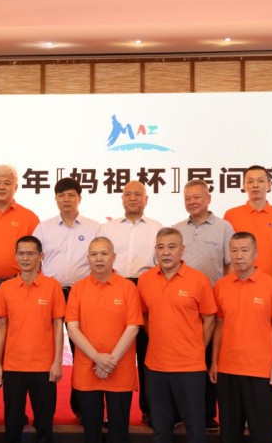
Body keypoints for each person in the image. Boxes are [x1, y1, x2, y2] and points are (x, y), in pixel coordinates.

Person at [138, 227, 216, 443]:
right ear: (155, 250)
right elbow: (143, 315)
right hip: (155, 367)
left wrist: (197, 348)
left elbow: (210, 319)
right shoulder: (145, 280)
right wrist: (157, 337)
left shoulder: (199, 280)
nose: (166, 253)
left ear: (182, 250)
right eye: (160, 247)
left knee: (195, 430)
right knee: (160, 430)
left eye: (171, 247)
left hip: (189, 368)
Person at [209, 232, 272, 443]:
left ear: (256, 253)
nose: (239, 256)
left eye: (244, 250)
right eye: (234, 251)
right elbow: (219, 325)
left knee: (264, 434)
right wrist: (215, 361)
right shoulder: (221, 286)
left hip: (261, 370)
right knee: (229, 433)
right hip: (228, 369)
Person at [33, 177, 99, 420]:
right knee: (45, 347)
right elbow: (34, 260)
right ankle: (43, 409)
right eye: (61, 195)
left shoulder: (94, 228)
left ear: (79, 198)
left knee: (82, 350)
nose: (66, 200)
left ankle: (81, 407)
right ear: (56, 199)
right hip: (50, 292)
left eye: (71, 195)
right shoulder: (44, 228)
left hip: (82, 293)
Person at [65, 237, 142, 443]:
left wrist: (110, 361)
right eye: (94, 254)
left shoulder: (128, 287)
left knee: (119, 432)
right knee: (91, 431)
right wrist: (97, 358)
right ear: (88, 258)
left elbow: (133, 327)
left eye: (104, 254)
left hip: (120, 369)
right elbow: (72, 328)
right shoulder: (78, 288)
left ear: (114, 257)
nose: (99, 259)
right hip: (87, 369)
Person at [99, 180, 162, 426]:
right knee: (113, 349)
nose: (133, 198)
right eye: (128, 194)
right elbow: (99, 260)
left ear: (146, 200)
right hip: (113, 287)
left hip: (145, 287)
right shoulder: (107, 228)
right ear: (122, 199)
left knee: (147, 351)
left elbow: (161, 263)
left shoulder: (157, 228)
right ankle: (109, 411)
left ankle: (150, 409)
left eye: (138, 194)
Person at [174, 179, 234, 431]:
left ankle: (207, 413)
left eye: (197, 197)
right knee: (181, 358)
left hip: (212, 304)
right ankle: (179, 412)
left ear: (208, 199)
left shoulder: (224, 227)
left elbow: (230, 264)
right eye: (187, 198)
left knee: (208, 358)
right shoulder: (177, 229)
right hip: (182, 305)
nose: (192, 202)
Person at [0, 236, 66, 443]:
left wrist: (57, 362)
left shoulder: (53, 286)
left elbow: (58, 325)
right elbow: (2, 326)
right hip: (13, 366)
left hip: (44, 366)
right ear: (15, 256)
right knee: (12, 424)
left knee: (44, 424)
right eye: (21, 253)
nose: (25, 258)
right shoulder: (6, 288)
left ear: (41, 256)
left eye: (31, 253)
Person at [224, 165, 272, 280]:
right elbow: (227, 255)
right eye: (250, 181)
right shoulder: (231, 215)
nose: (255, 185)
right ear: (244, 186)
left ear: (269, 185)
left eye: (260, 181)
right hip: (239, 282)